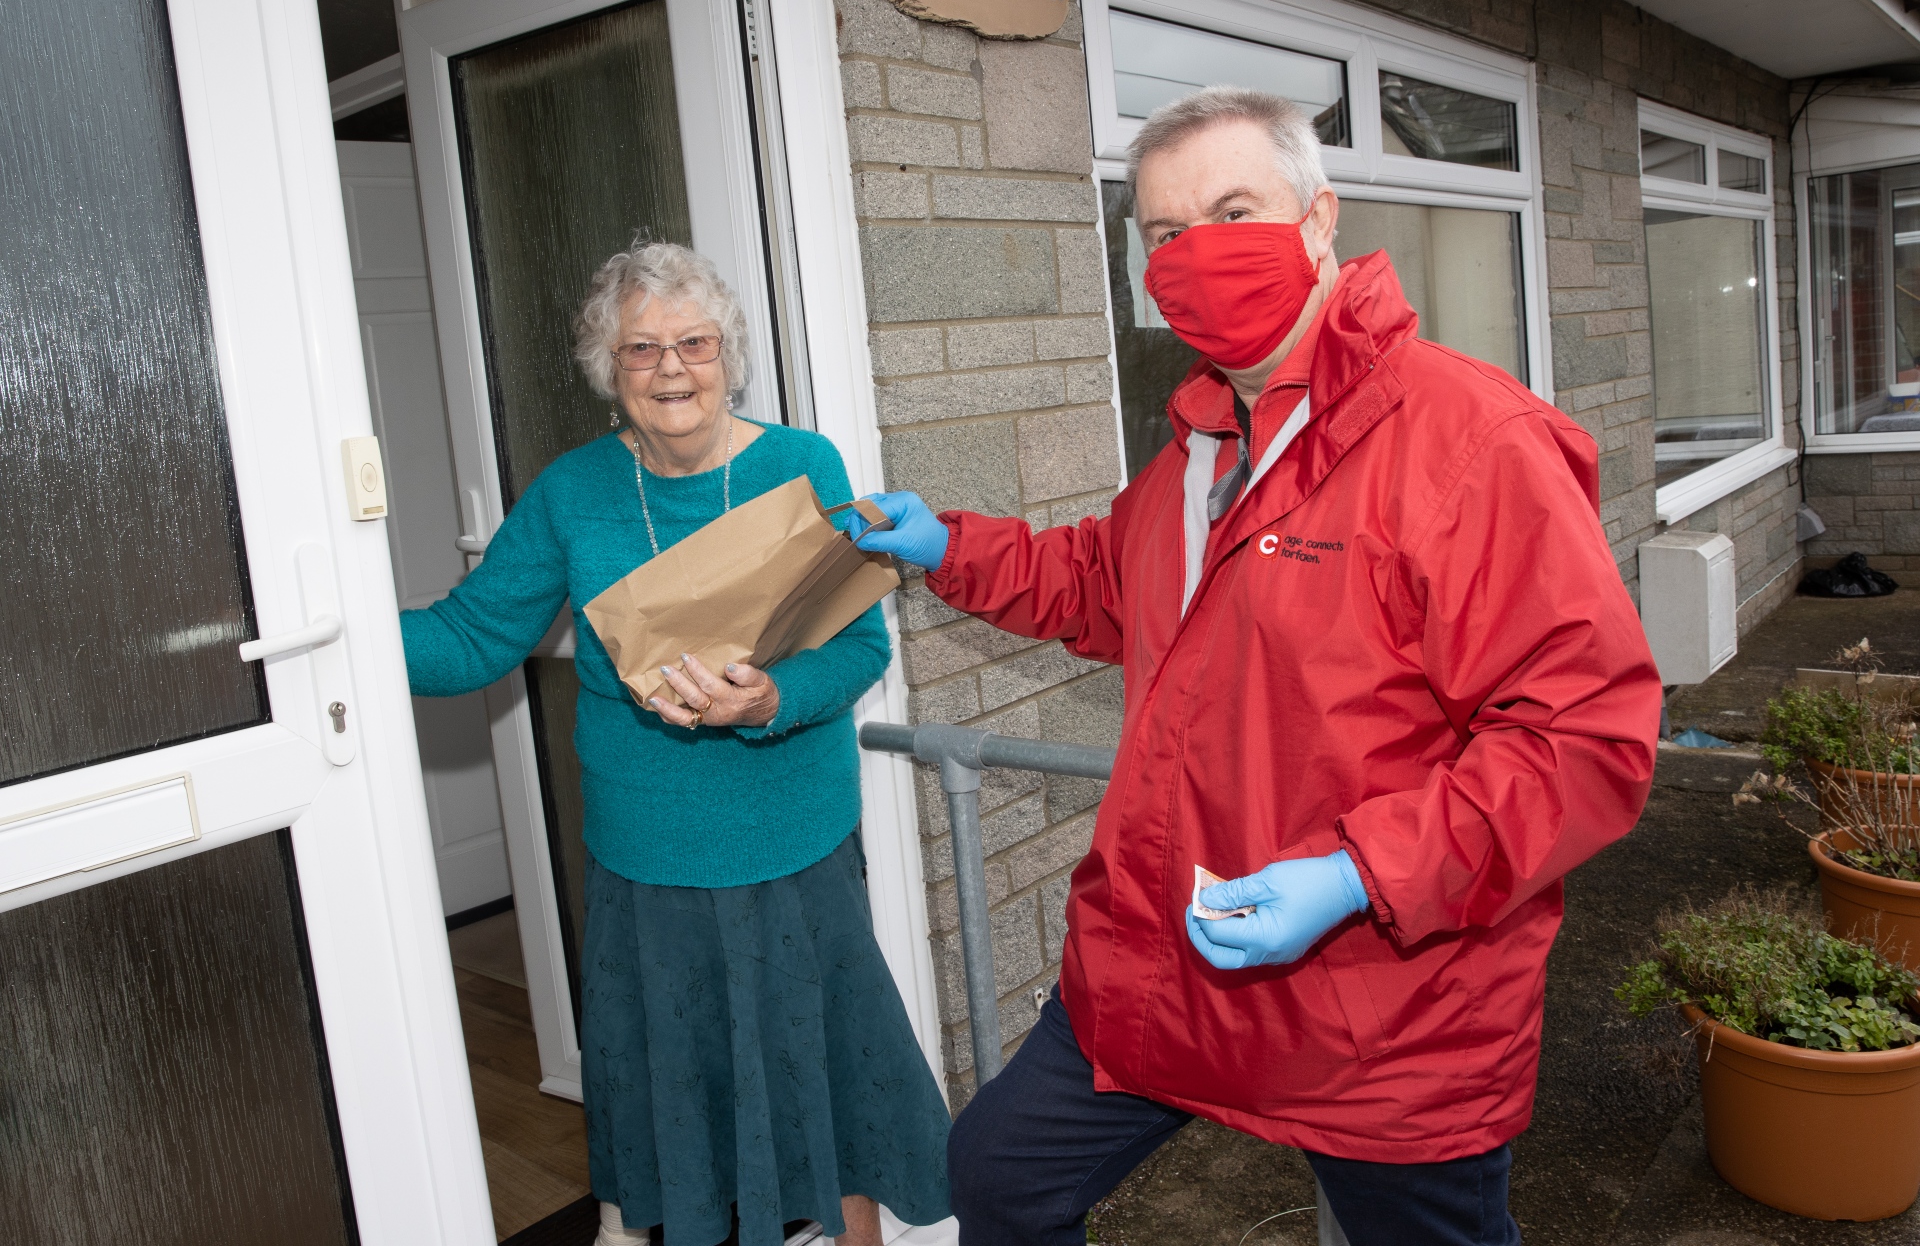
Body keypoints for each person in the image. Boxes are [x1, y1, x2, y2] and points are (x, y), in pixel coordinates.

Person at [852, 88, 1661, 1245]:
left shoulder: (1468, 438)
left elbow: (1582, 738)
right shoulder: (1200, 441)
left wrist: (1354, 875)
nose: (1197, 256)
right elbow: (1103, 582)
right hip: (1163, 964)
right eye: (1167, 235)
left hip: (1387, 1004)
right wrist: (949, 547)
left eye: (1233, 211)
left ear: (1320, 219)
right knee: (1001, 1172)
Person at [402, 239, 952, 1246]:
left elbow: (861, 638)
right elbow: (475, 634)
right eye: (640, 349)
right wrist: (341, 638)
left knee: (821, 1103)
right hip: (645, 862)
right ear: (608, 372)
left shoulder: (801, 463)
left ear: (727, 353)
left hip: (794, 846)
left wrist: (772, 694)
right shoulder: (573, 491)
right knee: (673, 1095)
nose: (670, 368)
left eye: (692, 343)